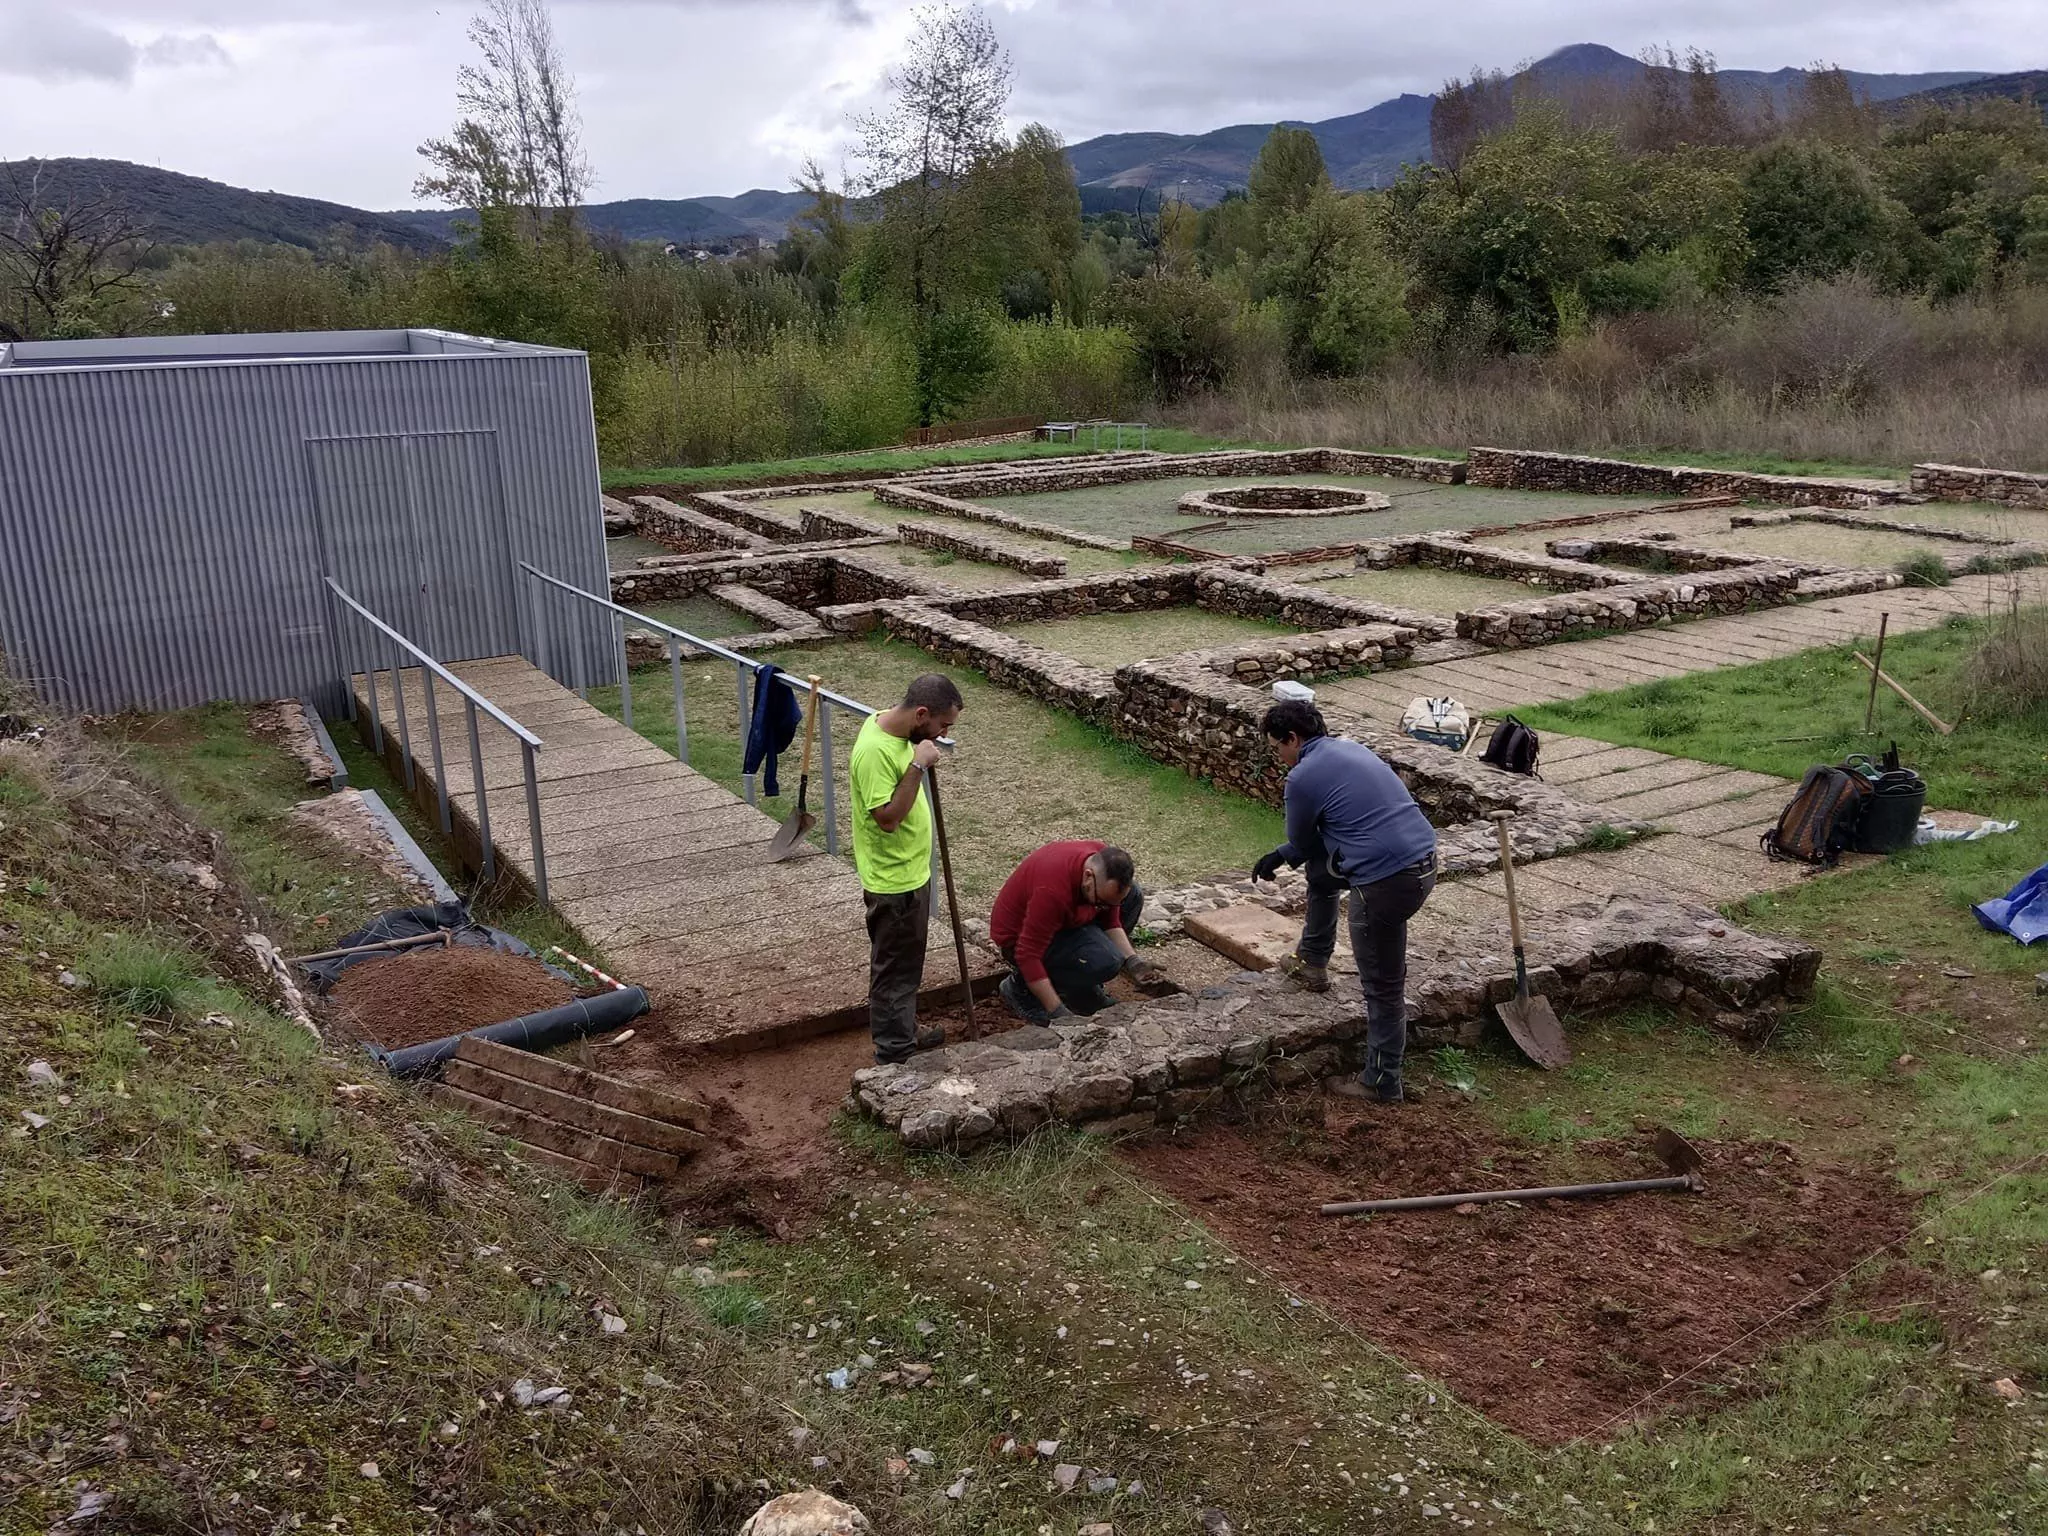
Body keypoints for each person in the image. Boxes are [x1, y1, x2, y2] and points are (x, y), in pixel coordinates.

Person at [1251, 699, 1437, 1103]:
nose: (1279, 757)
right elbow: (1314, 847)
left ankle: (1382, 1082)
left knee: (1383, 986)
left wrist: (1287, 851)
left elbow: (1303, 838)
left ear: (1293, 739)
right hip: (1424, 864)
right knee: (1321, 872)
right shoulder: (1351, 748)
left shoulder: (1302, 776)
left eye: (1278, 747)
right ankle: (1313, 961)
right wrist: (1282, 856)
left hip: (1386, 882)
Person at [849, 673, 964, 1065]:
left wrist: (919, 755)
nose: (944, 733)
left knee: (906, 965)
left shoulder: (897, 729)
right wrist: (919, 764)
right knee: (895, 970)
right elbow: (887, 818)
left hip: (912, 873)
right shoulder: (874, 752)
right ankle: (894, 1053)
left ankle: (903, 1028)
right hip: (894, 882)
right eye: (942, 725)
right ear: (920, 714)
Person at [991, 840, 1161, 1022]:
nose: (1103, 907)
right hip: (1018, 940)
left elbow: (1111, 920)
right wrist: (1058, 1012)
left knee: (1133, 896)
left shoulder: (1102, 861)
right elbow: (1027, 954)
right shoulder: (1052, 891)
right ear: (1088, 876)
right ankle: (1020, 989)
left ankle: (1081, 988)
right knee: (1107, 961)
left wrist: (1134, 963)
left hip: (1062, 921)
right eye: (1100, 902)